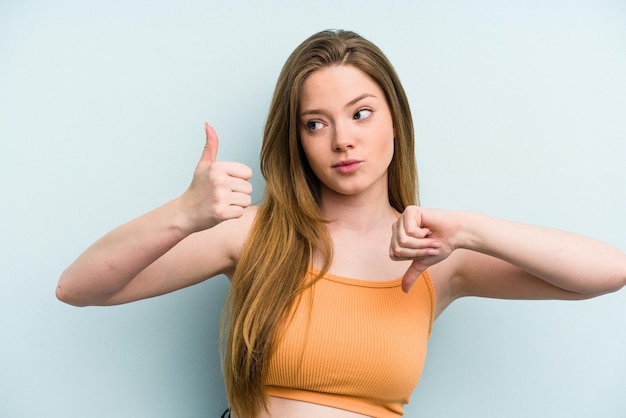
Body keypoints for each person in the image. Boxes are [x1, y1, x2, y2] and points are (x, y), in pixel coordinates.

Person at [56, 29, 626, 418]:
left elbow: (607, 272)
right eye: (315, 123)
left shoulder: (437, 255)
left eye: (360, 113)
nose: (343, 138)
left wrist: (472, 230)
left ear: (394, 122)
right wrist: (183, 215)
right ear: (298, 140)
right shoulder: (255, 235)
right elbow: (79, 288)